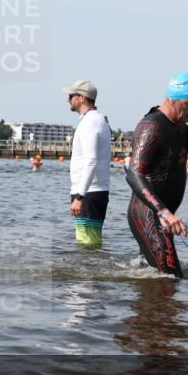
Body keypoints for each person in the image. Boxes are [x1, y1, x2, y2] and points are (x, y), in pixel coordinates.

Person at [124, 72, 188, 278]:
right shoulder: (151, 127)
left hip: (164, 216)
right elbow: (134, 174)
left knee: (160, 280)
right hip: (149, 214)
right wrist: (163, 212)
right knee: (170, 280)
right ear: (172, 100)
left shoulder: (180, 128)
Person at [62, 80, 111, 249]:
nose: (68, 99)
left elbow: (91, 160)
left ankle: (90, 276)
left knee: (87, 245)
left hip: (89, 193)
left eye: (71, 95)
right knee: (91, 243)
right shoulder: (98, 119)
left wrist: (79, 196)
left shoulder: (90, 122)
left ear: (82, 98)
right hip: (94, 191)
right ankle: (91, 274)